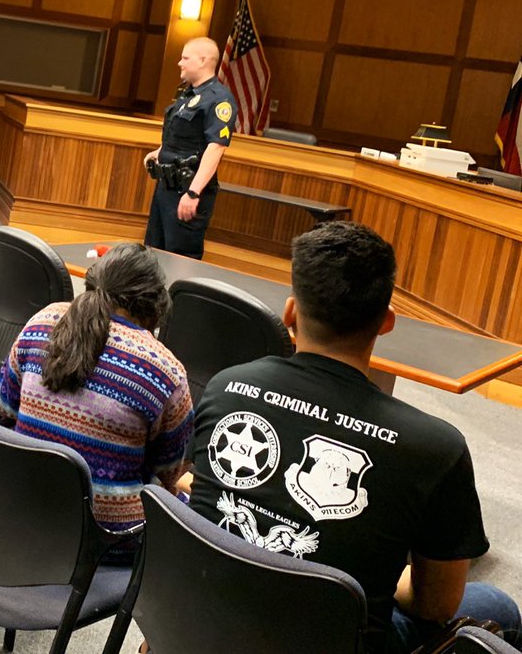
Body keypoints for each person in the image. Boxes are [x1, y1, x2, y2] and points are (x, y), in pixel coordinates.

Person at [188, 221, 520, 654]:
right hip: (332, 641)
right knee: (497, 605)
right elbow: (436, 605)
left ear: (290, 314)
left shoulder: (226, 386)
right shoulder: (437, 449)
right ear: (387, 323)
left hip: (196, 623)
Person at [0, 243, 193, 561]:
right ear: (154, 305)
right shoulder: (164, 370)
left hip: (21, 506)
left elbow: (6, 407)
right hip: (107, 540)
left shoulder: (43, 320)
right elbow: (169, 473)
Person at [142, 36, 235, 260]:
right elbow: (182, 134)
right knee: (152, 254)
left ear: (202, 61)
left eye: (185, 58)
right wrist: (160, 151)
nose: (179, 63)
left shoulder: (219, 99)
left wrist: (193, 193)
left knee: (180, 259)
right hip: (166, 187)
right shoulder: (187, 94)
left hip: (187, 189)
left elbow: (216, 148)